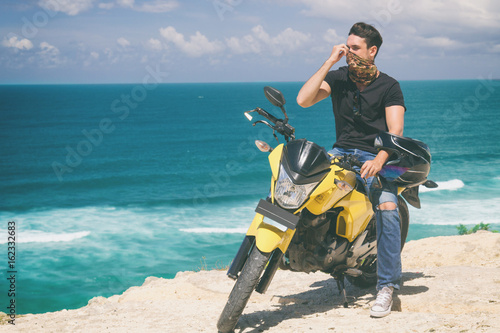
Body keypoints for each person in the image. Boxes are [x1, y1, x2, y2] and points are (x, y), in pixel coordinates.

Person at [296, 22, 405, 318]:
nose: (348, 53)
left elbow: (395, 131)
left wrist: (381, 158)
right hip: (341, 152)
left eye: (354, 48)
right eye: (346, 47)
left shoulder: (389, 86)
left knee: (387, 206)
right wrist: (330, 60)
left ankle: (387, 287)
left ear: (372, 51)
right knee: (302, 186)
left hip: (376, 156)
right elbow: (303, 100)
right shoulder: (339, 77)